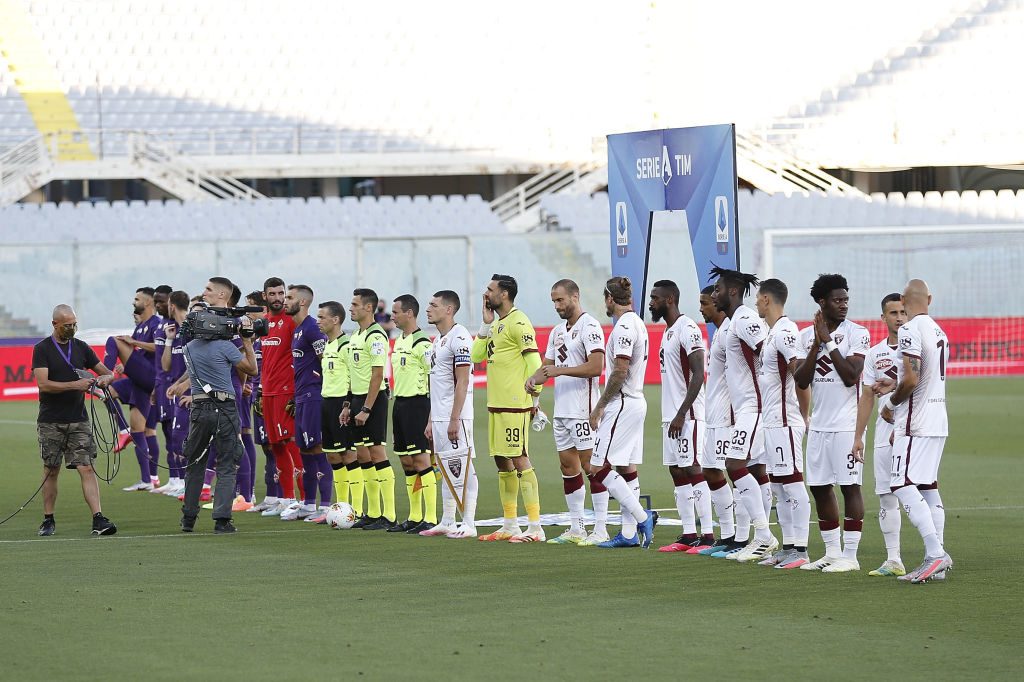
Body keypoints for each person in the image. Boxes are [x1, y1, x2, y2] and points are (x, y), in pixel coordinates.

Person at [795, 273, 871, 573]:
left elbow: (851, 376)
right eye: (837, 300)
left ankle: (850, 556)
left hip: (847, 425)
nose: (844, 305)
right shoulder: (805, 336)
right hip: (819, 426)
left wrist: (828, 342)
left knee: (850, 487)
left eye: (846, 300)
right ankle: (832, 552)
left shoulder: (858, 333)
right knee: (819, 487)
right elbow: (801, 380)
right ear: (822, 302)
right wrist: (816, 344)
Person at [879, 279, 952, 583]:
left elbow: (911, 379)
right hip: (938, 419)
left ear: (905, 301)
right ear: (930, 299)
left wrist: (892, 404)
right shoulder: (940, 331)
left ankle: (935, 554)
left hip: (915, 421)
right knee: (928, 486)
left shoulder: (909, 330)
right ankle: (936, 560)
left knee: (902, 484)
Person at [172, 277, 257, 534]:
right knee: (227, 463)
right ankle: (222, 519)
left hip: (199, 408)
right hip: (225, 408)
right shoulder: (225, 347)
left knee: (196, 463)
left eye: (209, 289)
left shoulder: (189, 348)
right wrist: (248, 342)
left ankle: (188, 519)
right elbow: (251, 369)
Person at [526, 279, 606, 546]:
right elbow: (546, 365)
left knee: (591, 467)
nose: (557, 306)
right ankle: (577, 527)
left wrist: (560, 371)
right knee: (568, 467)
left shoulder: (590, 325)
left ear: (575, 296)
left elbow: (596, 366)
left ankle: (601, 528)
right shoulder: (557, 331)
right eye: (553, 301)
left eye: (560, 300)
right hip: (563, 411)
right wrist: (533, 380)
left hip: (584, 410)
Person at [711, 265, 778, 563]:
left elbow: (767, 351)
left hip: (756, 405)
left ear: (733, 291)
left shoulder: (745, 319)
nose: (714, 295)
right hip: (746, 408)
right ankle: (762, 537)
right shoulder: (733, 321)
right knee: (754, 469)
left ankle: (764, 534)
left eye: (718, 289)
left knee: (734, 463)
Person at [471, 274, 546, 543]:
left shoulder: (519, 321)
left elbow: (535, 362)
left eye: (490, 289)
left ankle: (536, 527)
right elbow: (475, 355)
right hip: (496, 404)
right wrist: (485, 324)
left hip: (515, 404)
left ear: (504, 294)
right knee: (502, 461)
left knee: (520, 459)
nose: (486, 293)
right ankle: (510, 524)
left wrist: (535, 399)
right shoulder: (496, 324)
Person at [32, 304, 117, 536]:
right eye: (67, 325)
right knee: (51, 469)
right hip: (50, 420)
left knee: (86, 467)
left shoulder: (81, 347)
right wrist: (76, 385)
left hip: (78, 419)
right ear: (55, 324)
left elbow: (106, 372)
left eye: (74, 324)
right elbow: (44, 384)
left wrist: (105, 379)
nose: (72, 328)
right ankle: (48, 519)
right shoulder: (42, 349)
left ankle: (98, 518)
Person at [587, 277, 657, 548]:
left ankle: (642, 516)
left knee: (597, 466)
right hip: (635, 400)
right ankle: (628, 534)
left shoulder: (624, 328)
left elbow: (619, 371)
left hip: (623, 402)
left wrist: (600, 405)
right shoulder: (636, 323)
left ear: (609, 298)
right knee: (627, 467)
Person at [649, 280, 713, 553]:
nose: (651, 302)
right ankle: (688, 534)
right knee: (676, 470)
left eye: (655, 298)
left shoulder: (688, 329)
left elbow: (699, 373)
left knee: (693, 468)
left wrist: (682, 412)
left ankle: (708, 535)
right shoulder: (668, 331)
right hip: (671, 414)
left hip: (689, 414)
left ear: (670, 299)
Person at [754, 278, 812, 569]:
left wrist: (803, 415)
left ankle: (800, 549)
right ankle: (788, 546)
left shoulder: (786, 331)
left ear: (767, 300)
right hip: (773, 421)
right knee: (778, 485)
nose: (755, 303)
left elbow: (800, 375)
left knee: (792, 483)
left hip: (786, 420)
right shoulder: (772, 332)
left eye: (757, 298)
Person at [854, 293, 908, 577]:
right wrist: (858, 436)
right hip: (884, 431)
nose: (899, 318)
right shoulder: (875, 354)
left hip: (913, 428)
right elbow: (866, 397)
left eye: (903, 312)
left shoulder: (917, 347)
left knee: (919, 490)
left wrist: (895, 383)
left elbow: (922, 381)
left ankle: (935, 552)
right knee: (886, 494)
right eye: (893, 313)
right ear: (883, 317)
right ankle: (894, 559)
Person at [421, 290, 478, 539]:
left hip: (457, 417)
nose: (428, 308)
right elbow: (438, 384)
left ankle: (469, 522)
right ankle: (447, 520)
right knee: (446, 467)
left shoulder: (461, 336)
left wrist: (455, 418)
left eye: (433, 305)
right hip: (442, 416)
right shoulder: (438, 340)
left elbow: (462, 381)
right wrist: (432, 420)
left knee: (464, 466)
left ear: (448, 310)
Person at [696, 285, 746, 558]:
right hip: (714, 413)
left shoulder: (729, 331)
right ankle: (727, 535)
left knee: (732, 472)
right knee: (711, 470)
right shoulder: (720, 333)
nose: (702, 308)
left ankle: (739, 536)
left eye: (705, 303)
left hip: (728, 414)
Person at [341, 288, 394, 530]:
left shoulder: (376, 335)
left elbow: (377, 375)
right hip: (356, 400)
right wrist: (347, 405)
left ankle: (389, 514)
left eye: (355, 304)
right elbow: (353, 374)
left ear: (368, 308)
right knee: (362, 455)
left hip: (373, 400)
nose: (350, 308)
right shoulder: (356, 335)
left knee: (376, 453)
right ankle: (373, 512)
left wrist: (366, 409)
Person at [279, 284, 333, 521]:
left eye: (289, 297)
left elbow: (326, 360)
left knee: (317, 448)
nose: (284, 301)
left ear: (302, 302)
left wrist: (323, 386)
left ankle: (326, 507)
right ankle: (309, 504)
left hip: (314, 395)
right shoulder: (298, 330)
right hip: (301, 396)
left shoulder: (312, 328)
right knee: (304, 449)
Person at [387, 294, 436, 533]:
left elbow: (434, 380)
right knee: (406, 462)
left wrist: (430, 418)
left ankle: (431, 517)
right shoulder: (400, 341)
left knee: (421, 461)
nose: (392, 316)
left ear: (409, 313)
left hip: (418, 405)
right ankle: (415, 517)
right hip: (400, 405)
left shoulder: (422, 343)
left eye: (396, 312)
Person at [106, 287, 161, 491]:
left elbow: (161, 348)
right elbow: (139, 351)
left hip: (151, 375)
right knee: (139, 430)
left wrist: (133, 343)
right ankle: (147, 480)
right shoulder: (140, 327)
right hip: (140, 381)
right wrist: (126, 364)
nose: (133, 302)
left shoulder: (156, 323)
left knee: (115, 341)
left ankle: (104, 373)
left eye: (137, 299)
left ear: (147, 302)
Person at [258, 277, 304, 517]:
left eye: (281, 293)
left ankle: (303, 500)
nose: (277, 298)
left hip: (287, 392)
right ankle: (287, 498)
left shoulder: (292, 322)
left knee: (292, 444)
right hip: (268, 392)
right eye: (272, 294)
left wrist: (298, 391)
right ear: (265, 296)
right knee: (275, 445)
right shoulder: (263, 323)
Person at [317, 300, 357, 516]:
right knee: (332, 456)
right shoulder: (327, 345)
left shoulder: (346, 346)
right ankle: (342, 507)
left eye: (322, 317)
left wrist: (347, 405)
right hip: (327, 402)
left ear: (335, 320)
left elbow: (353, 378)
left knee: (348, 454)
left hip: (342, 403)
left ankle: (355, 507)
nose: (318, 321)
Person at [156, 290, 191, 497]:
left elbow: (195, 363)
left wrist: (184, 384)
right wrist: (169, 341)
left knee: (184, 438)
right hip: (177, 390)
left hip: (192, 390)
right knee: (176, 438)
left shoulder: (191, 328)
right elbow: (165, 365)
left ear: (171, 305)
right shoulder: (173, 330)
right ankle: (183, 482)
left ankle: (192, 483)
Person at [148, 284, 174, 492]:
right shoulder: (161, 326)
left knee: (177, 434)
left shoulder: (176, 326)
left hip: (174, 384)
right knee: (166, 431)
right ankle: (174, 478)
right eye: (155, 301)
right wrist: (156, 386)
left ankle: (182, 479)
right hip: (161, 383)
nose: (158, 305)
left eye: (161, 301)